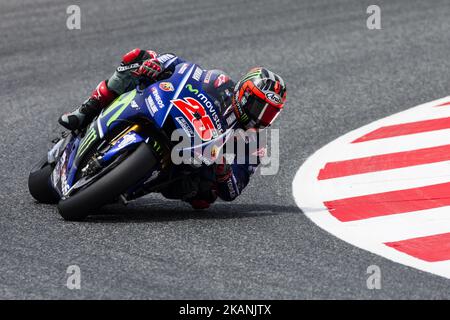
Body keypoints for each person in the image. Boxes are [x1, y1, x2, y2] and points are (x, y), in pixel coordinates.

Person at [59, 48, 287, 209]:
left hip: (192, 167)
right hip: (175, 120)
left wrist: (223, 170)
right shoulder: (221, 82)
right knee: (137, 57)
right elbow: (185, 68)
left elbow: (233, 191)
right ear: (245, 93)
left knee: (203, 199)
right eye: (259, 107)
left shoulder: (253, 145)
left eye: (269, 113)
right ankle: (84, 111)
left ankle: (132, 183)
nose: (260, 117)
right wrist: (157, 65)